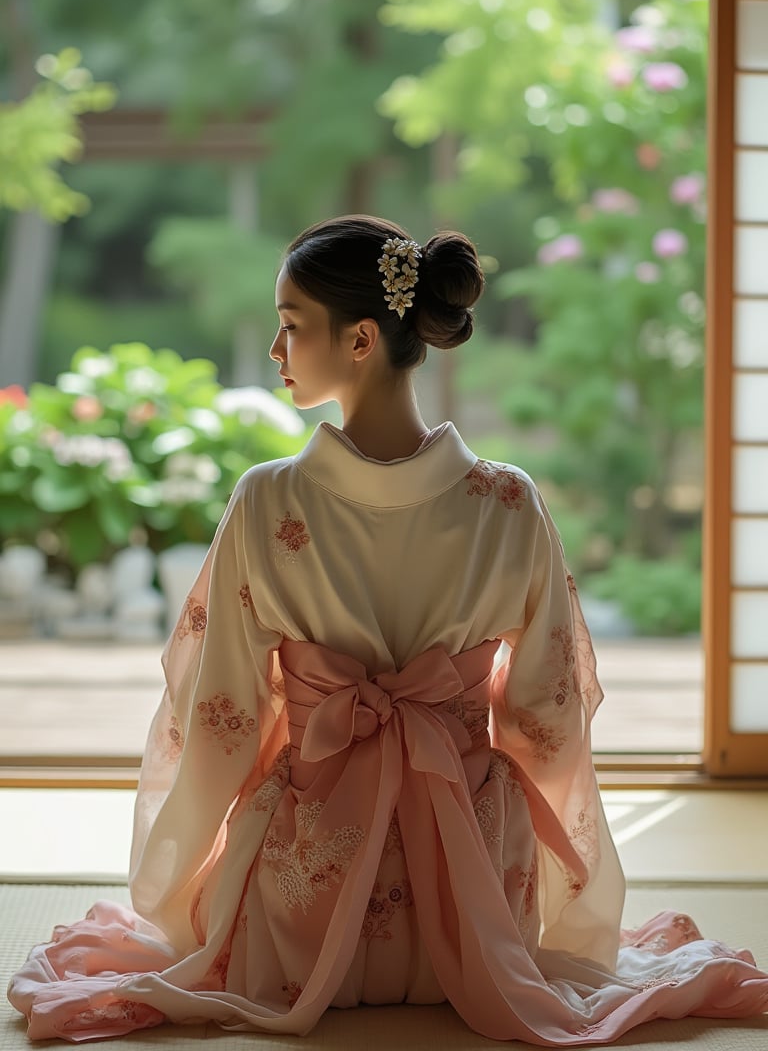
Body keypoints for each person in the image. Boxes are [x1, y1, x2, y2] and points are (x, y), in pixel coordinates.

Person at [8, 215, 768, 1044]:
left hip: (304, 905)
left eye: (292, 325)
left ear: (362, 337)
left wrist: (179, 884)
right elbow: (550, 713)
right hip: (476, 908)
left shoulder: (269, 501)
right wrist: (567, 896)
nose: (275, 347)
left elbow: (218, 713)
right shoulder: (508, 503)